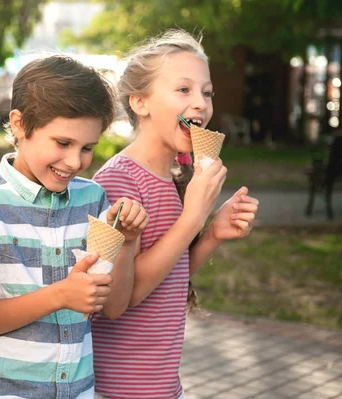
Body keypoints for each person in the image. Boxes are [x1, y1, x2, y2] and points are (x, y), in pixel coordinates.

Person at [0, 55, 149, 398]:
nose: (74, 161)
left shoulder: (93, 200)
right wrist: (59, 296)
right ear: (20, 124)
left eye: (87, 148)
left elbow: (112, 307)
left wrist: (127, 243)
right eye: (63, 143)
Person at [91, 30, 260, 399]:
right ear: (141, 102)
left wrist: (213, 232)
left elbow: (169, 275)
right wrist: (193, 218)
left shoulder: (172, 177)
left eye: (206, 92)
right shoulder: (119, 181)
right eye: (183, 90)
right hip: (120, 386)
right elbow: (127, 293)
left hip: (163, 384)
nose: (200, 103)